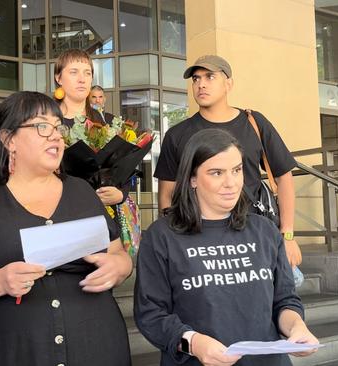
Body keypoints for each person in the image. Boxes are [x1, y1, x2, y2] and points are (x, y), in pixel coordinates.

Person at [0, 91, 133, 365]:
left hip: (96, 347)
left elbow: (119, 256)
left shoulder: (82, 192)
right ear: (9, 139)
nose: (55, 135)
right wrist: (0, 281)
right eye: (42, 126)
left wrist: (119, 268)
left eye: (58, 127)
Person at [135, 129, 318, 366]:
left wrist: (297, 327)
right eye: (216, 173)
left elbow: (285, 300)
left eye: (237, 170)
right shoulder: (162, 237)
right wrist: (193, 342)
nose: (231, 183)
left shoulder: (265, 231)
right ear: (192, 178)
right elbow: (151, 314)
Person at [154, 55, 302, 269]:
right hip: (198, 239)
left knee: (266, 297)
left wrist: (287, 235)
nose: (201, 84)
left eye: (210, 77)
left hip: (251, 234)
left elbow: (284, 177)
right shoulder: (177, 135)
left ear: (228, 84)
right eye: (196, 79)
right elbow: (167, 194)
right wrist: (173, 239)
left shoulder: (254, 123)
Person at [54, 49, 129, 223]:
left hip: (103, 214)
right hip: (60, 212)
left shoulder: (108, 122)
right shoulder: (48, 122)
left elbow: (123, 167)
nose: (82, 79)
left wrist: (120, 193)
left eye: (87, 73)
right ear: (58, 78)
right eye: (73, 72)